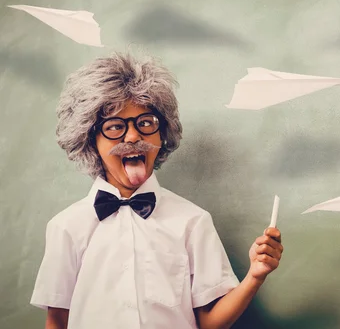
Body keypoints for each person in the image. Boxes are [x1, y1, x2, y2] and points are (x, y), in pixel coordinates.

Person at [30, 51, 283, 329]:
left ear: (163, 133)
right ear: (91, 140)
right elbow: (57, 320)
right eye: (115, 126)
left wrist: (255, 276)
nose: (133, 136)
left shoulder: (193, 221)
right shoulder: (65, 227)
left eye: (146, 123)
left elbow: (210, 323)